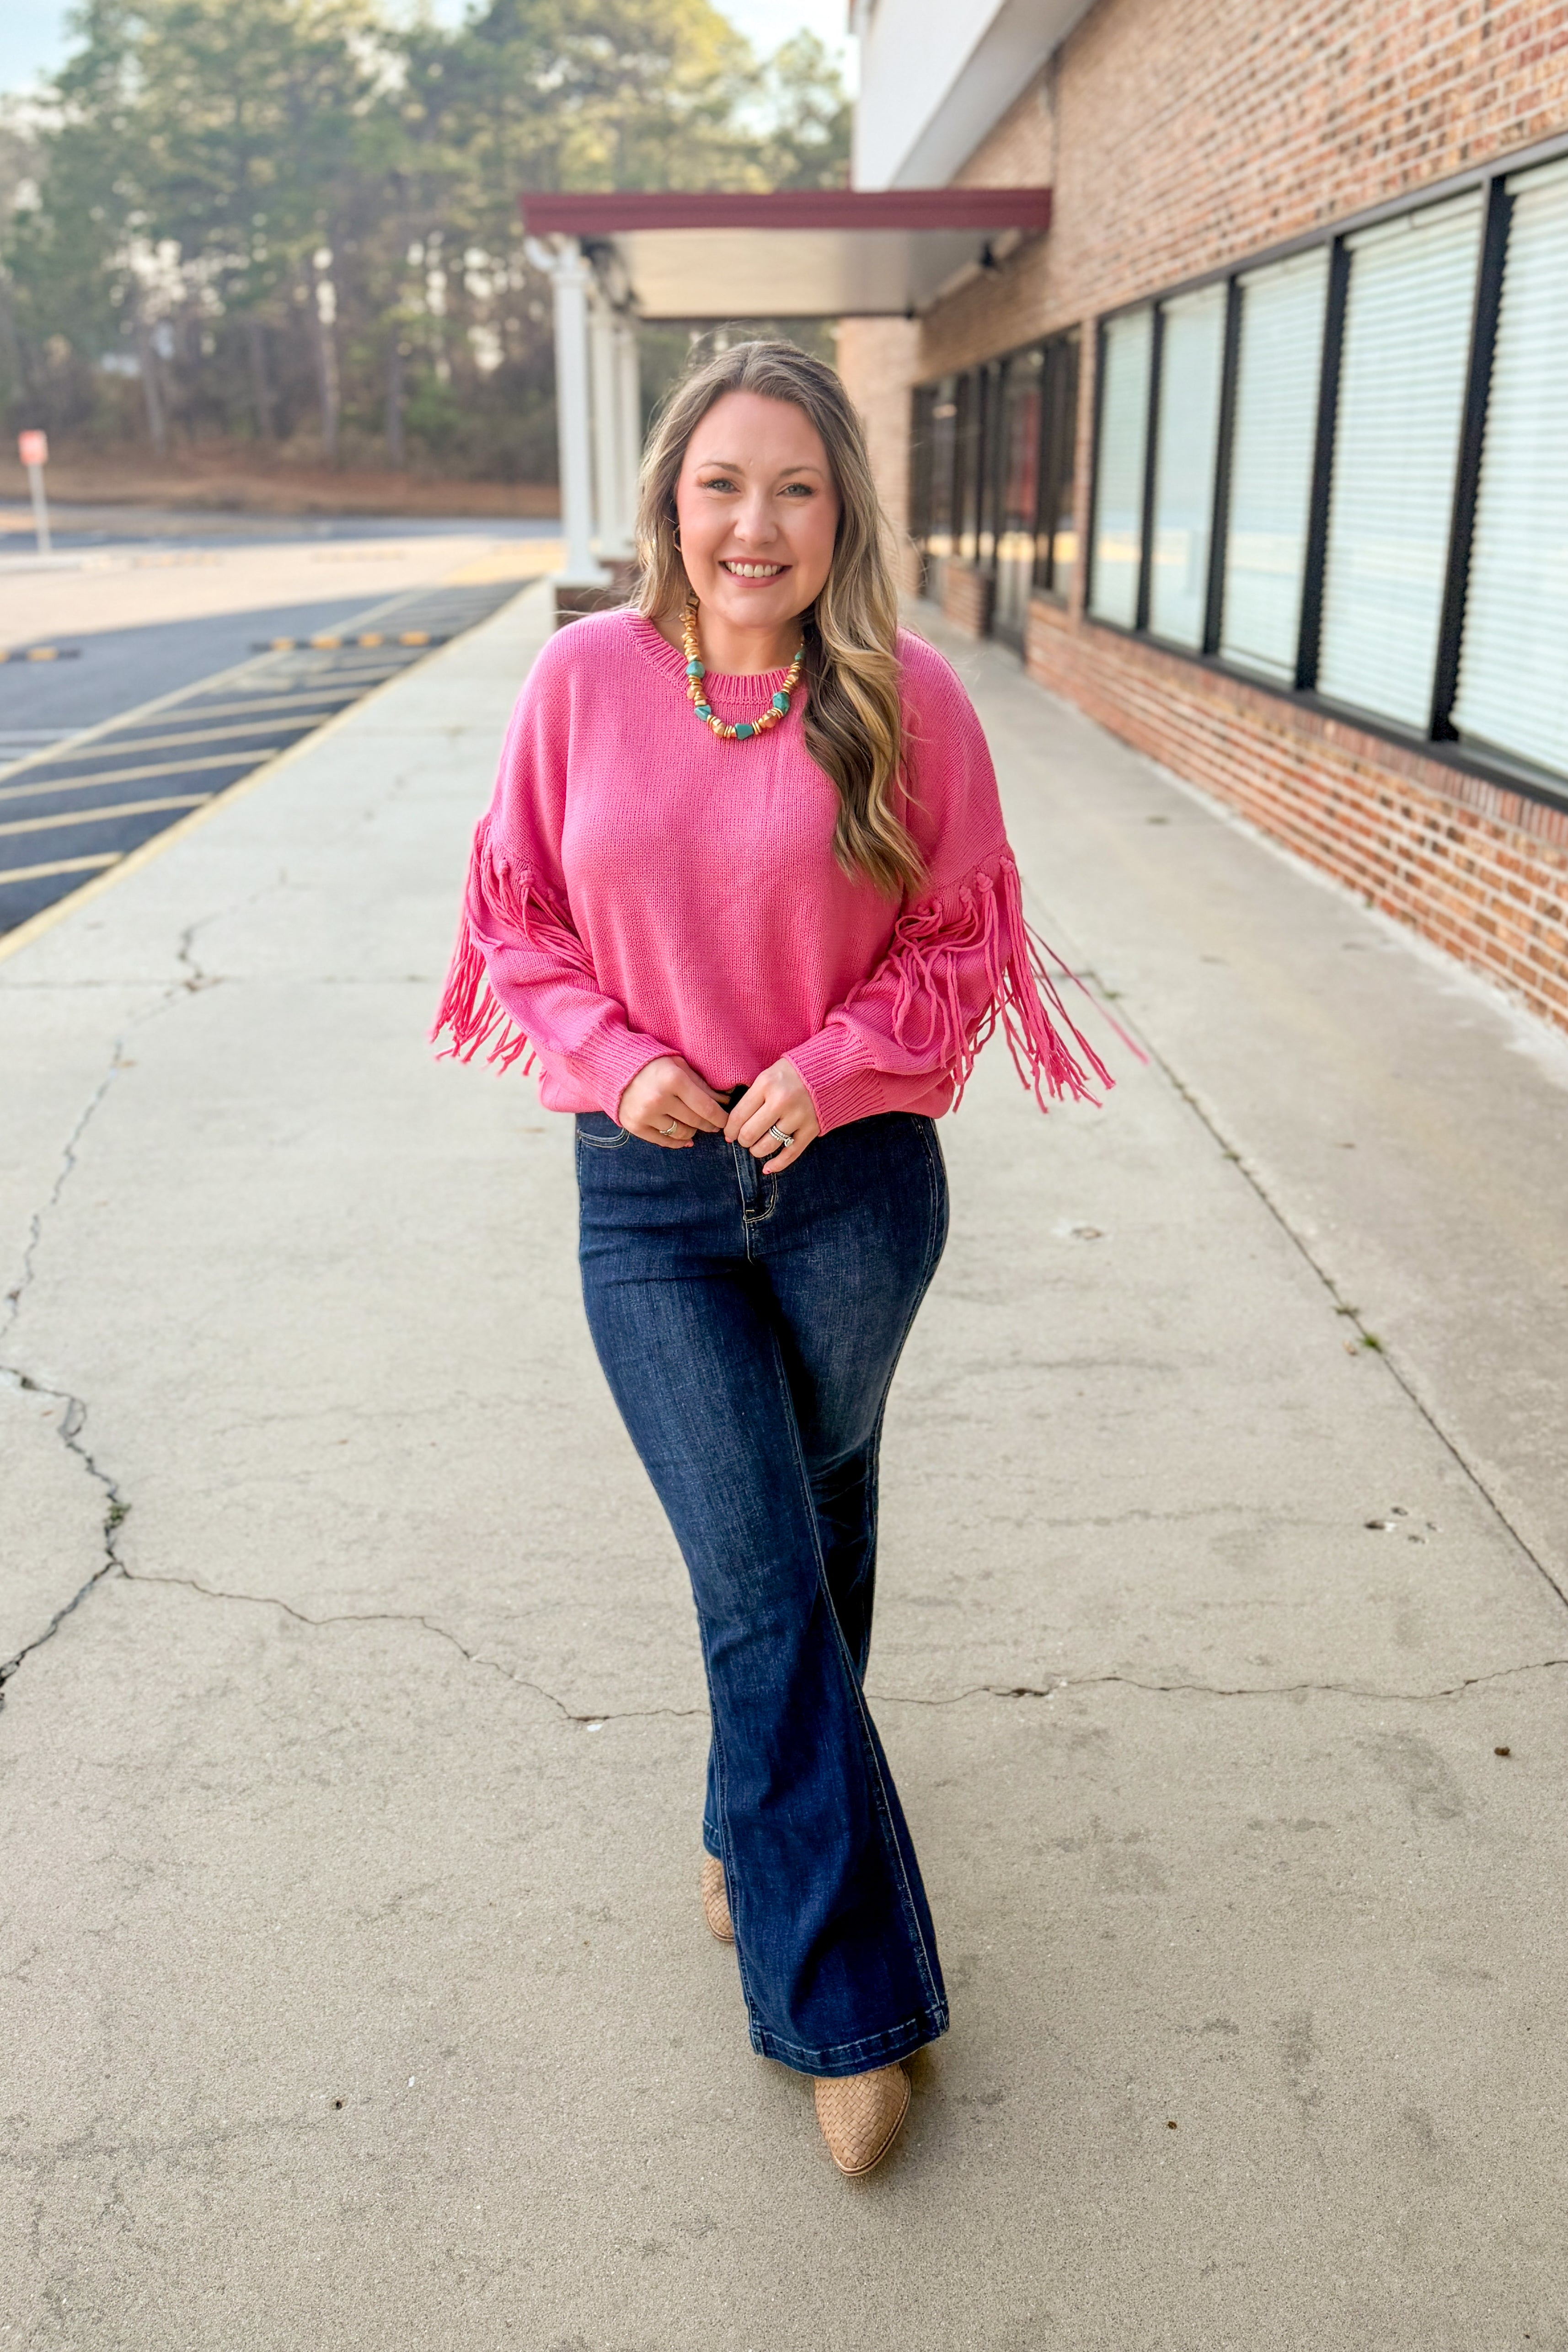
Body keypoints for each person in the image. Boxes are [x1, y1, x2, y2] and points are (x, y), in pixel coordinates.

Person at [433, 339, 1112, 2178]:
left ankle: (753, 1818)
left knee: (822, 1508)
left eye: (796, 487)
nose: (757, 523)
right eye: (723, 483)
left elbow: (960, 938)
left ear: (841, 512)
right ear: (671, 497)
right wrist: (616, 1057)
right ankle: (847, 2010)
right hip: (651, 1195)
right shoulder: (582, 681)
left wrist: (837, 1060)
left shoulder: (907, 698)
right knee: (754, 1568)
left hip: (853, 1182)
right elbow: (517, 919)